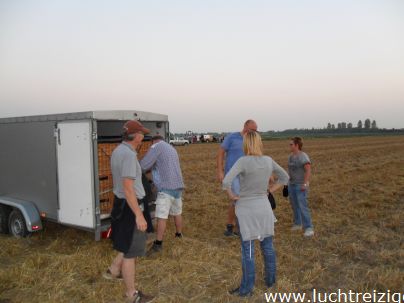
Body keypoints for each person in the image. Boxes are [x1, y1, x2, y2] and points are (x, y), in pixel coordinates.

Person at [222, 131, 289, 297]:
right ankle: (271, 282)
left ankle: (246, 289)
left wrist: (232, 195)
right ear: (259, 143)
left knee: (249, 251)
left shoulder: (243, 161)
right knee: (268, 247)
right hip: (264, 209)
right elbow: (284, 177)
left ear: (246, 144)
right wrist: (269, 190)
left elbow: (226, 181)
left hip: (246, 210)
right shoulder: (268, 160)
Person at [103, 120, 155, 303]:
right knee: (131, 253)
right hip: (131, 206)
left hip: (124, 205)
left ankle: (114, 269)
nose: (143, 137)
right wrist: (139, 215)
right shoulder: (128, 155)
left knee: (127, 243)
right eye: (142, 134)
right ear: (137, 136)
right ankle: (131, 294)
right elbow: (128, 188)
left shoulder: (118, 150)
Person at [140, 135, 185, 254]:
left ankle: (158, 243)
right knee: (177, 212)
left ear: (153, 141)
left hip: (166, 188)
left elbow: (143, 165)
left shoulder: (156, 146)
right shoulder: (171, 148)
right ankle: (179, 234)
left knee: (161, 217)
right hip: (178, 187)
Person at [216, 119, 258, 236]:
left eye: (256, 130)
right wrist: (220, 171)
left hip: (246, 175)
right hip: (232, 175)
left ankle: (230, 226)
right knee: (238, 200)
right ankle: (240, 229)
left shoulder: (252, 140)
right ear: (245, 126)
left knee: (238, 201)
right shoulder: (232, 137)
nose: (255, 132)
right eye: (253, 129)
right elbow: (220, 153)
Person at [288, 137, 314, 237]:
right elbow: (290, 170)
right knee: (295, 206)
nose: (289, 146)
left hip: (300, 185)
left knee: (303, 206)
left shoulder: (303, 156)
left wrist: (305, 183)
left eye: (291, 144)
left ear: (297, 145)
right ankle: (298, 224)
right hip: (292, 184)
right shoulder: (290, 156)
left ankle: (309, 228)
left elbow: (308, 170)